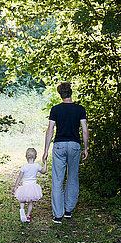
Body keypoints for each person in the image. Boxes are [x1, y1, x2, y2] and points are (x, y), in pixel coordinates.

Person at [42, 81, 89, 223]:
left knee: (57, 179)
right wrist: (86, 148)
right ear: (71, 93)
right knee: (73, 177)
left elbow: (50, 130)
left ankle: (58, 215)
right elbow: (85, 130)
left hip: (59, 146)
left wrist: (45, 150)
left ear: (60, 95)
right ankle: (68, 210)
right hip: (75, 145)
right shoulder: (80, 109)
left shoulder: (55, 109)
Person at [12, 147, 47, 222]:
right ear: (35, 157)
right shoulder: (37, 166)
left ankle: (22, 209)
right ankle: (28, 216)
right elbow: (44, 171)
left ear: (26, 156)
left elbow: (19, 177)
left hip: (25, 186)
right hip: (33, 187)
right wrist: (45, 163)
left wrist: (15, 186)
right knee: (30, 202)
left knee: (22, 200)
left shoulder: (24, 166)